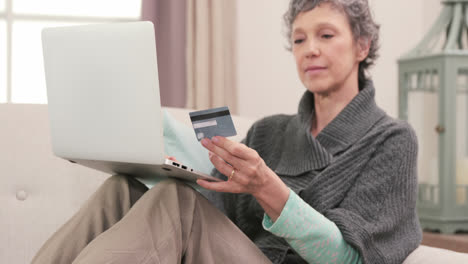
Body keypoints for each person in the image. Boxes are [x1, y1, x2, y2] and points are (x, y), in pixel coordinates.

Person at [32, 0, 422, 263]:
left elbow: (348, 257)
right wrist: (165, 157)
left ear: (362, 46)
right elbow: (213, 216)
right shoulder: (270, 132)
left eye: (326, 35)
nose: (309, 49)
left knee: (175, 202)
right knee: (123, 189)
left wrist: (266, 187)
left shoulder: (392, 141)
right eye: (299, 39)